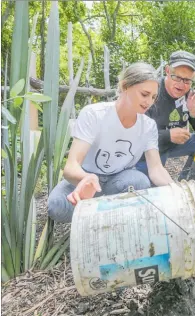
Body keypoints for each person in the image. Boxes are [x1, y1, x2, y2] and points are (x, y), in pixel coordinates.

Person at [48, 62, 174, 223]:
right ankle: (106, 216)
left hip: (119, 179)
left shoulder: (148, 126)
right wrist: (87, 179)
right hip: (87, 178)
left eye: (153, 97)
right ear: (125, 86)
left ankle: (108, 219)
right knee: (57, 206)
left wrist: (174, 189)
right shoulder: (94, 114)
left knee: (139, 181)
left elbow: (156, 168)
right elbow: (70, 167)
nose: (149, 101)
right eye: (144, 94)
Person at [135, 50, 195, 181]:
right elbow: (136, 134)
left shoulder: (190, 95)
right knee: (149, 186)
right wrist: (168, 136)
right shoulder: (152, 91)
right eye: (177, 77)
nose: (181, 85)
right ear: (167, 71)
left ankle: (187, 182)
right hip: (150, 150)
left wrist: (194, 111)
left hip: (175, 145)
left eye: (187, 80)